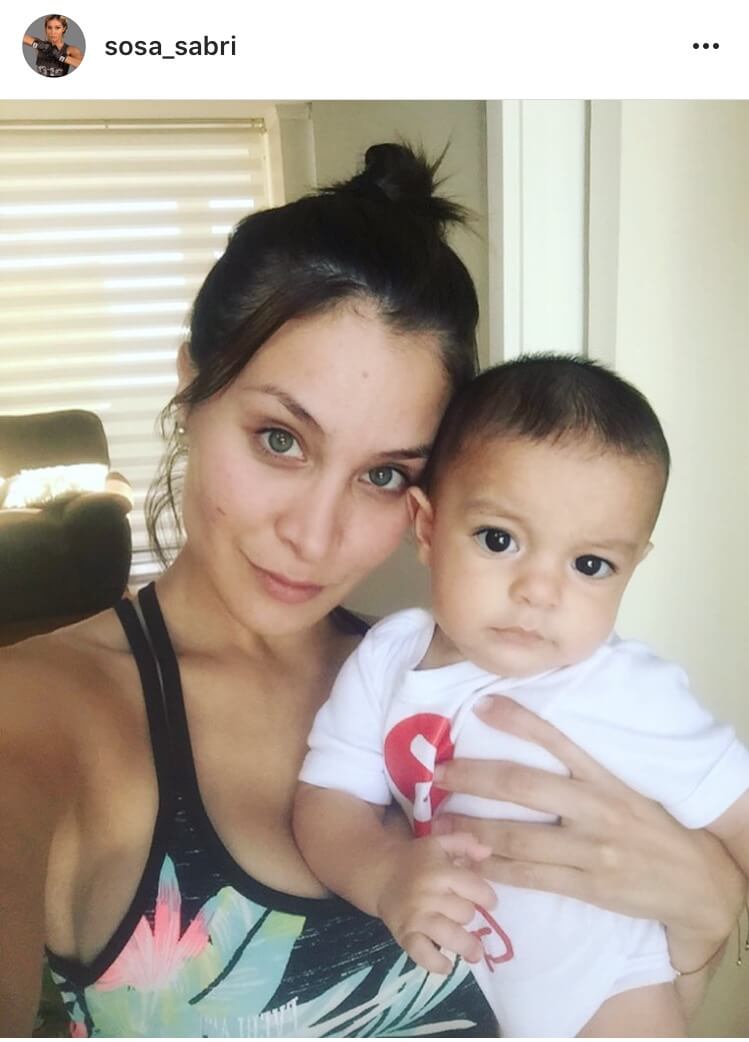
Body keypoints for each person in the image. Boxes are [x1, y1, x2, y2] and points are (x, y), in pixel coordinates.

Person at [0, 145, 744, 1038]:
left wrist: (703, 926)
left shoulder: (440, 673)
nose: (315, 536)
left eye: (384, 474)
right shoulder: (41, 712)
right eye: (280, 439)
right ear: (192, 391)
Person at [295, 356, 749, 1037]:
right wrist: (384, 872)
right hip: (474, 989)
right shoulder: (388, 660)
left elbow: (739, 814)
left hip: (611, 984)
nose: (539, 591)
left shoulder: (627, 690)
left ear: (631, 567)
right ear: (427, 527)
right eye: (499, 539)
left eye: (589, 564)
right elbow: (328, 800)